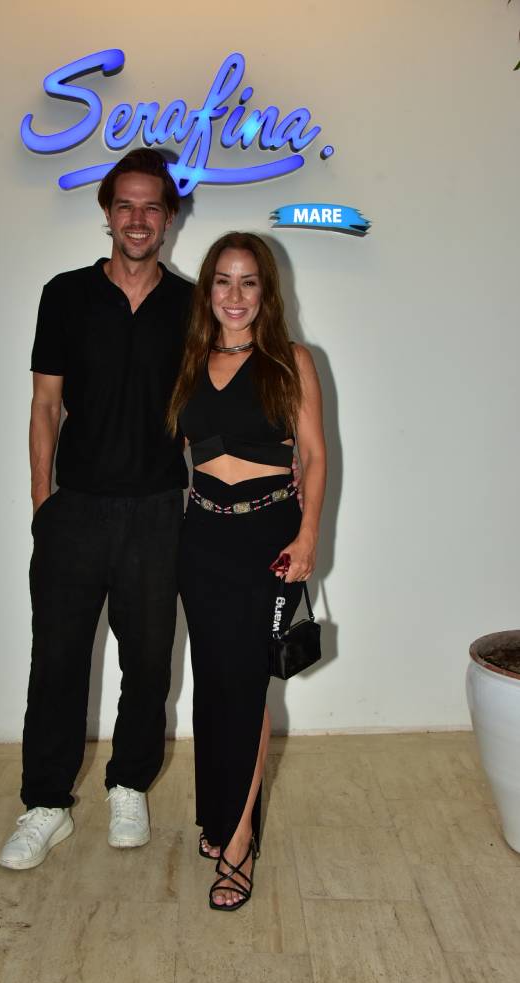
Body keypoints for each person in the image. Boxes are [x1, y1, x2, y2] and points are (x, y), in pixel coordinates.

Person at [0, 149, 194, 870]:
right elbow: (45, 404)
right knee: (55, 661)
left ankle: (129, 785)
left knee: (147, 664)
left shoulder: (191, 305)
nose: (138, 219)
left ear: (168, 219)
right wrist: (42, 502)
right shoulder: (65, 295)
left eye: (152, 207)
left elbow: (207, 411)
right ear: (107, 213)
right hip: (75, 509)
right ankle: (45, 804)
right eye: (126, 205)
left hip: (156, 511)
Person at [167, 232, 326, 910]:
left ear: (266, 292)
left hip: (268, 540)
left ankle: (238, 840)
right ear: (208, 290)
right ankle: (218, 813)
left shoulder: (290, 360)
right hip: (201, 539)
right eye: (223, 281)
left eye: (248, 281)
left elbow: (314, 455)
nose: (235, 295)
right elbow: (178, 452)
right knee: (213, 685)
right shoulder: (189, 360)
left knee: (246, 686)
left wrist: (308, 535)